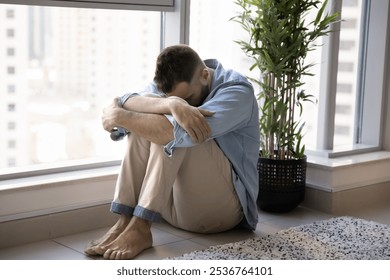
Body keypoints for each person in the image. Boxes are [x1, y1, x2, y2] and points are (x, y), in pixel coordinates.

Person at [85, 44, 260, 260]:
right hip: (171, 209)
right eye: (177, 98)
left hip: (221, 213)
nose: (184, 103)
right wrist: (172, 104)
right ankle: (125, 221)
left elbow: (134, 115)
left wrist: (120, 116)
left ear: (205, 75)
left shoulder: (237, 91)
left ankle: (141, 227)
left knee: (171, 131)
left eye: (188, 97)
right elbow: (129, 101)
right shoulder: (174, 82)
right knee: (148, 121)